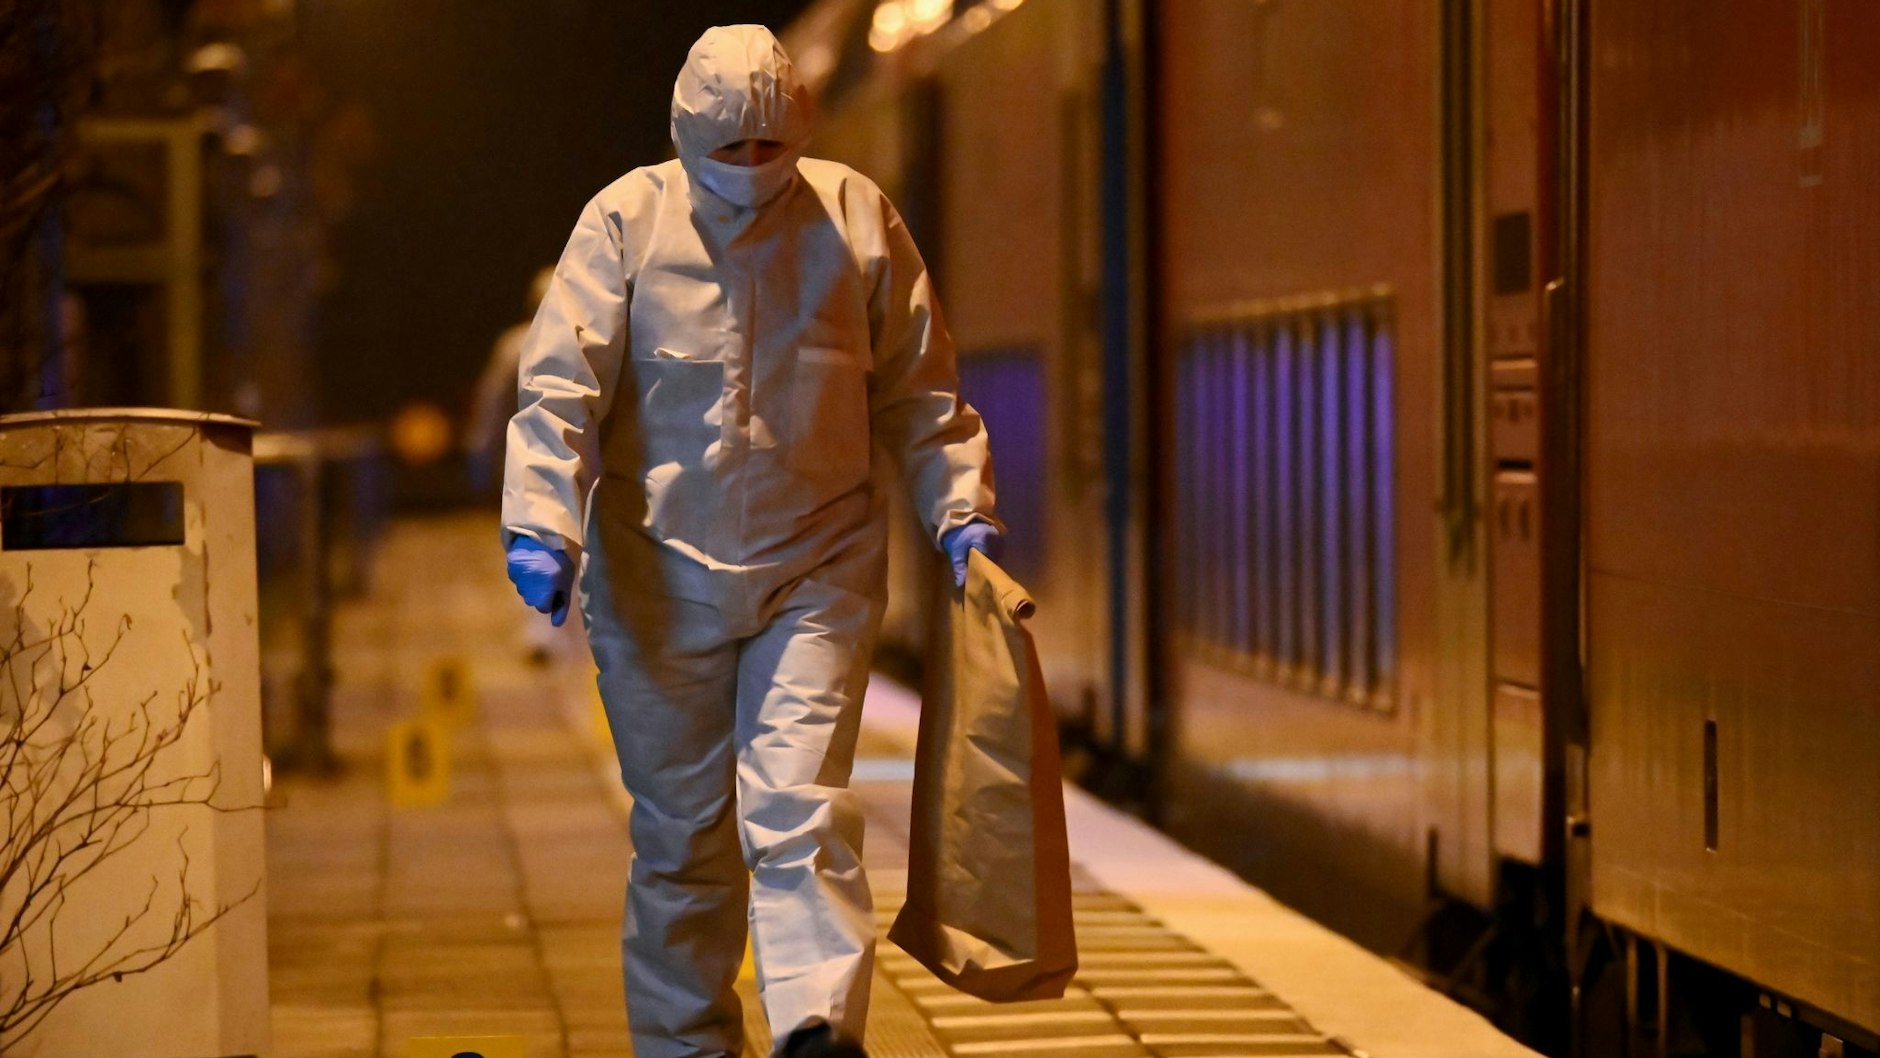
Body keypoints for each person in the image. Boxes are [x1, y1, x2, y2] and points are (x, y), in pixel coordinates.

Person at [500, 24, 1001, 1058]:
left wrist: (959, 504)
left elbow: (918, 385)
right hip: (654, 574)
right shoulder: (624, 224)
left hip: (816, 564)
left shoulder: (856, 220)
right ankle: (687, 1042)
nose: (749, 173)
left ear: (797, 137)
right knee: (682, 838)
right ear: (687, 139)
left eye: (769, 151)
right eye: (728, 153)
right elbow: (560, 390)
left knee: (799, 811)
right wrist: (542, 521)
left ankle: (817, 1027)